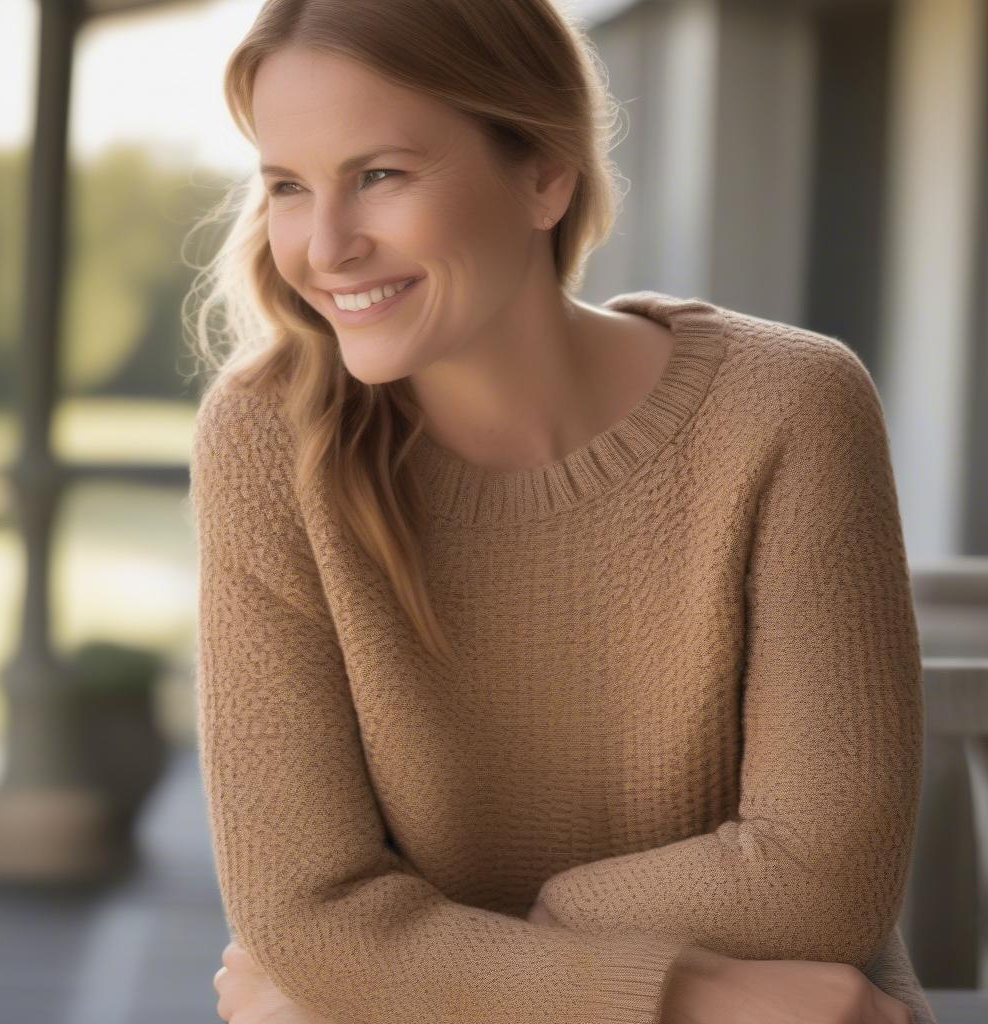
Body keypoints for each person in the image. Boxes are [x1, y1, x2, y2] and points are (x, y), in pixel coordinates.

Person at [186, 1, 937, 1022]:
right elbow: (306, 912)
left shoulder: (787, 405)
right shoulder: (269, 440)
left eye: (379, 176)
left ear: (545, 173)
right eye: (286, 187)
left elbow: (823, 883)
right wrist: (690, 993)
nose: (324, 246)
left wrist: (438, 960)